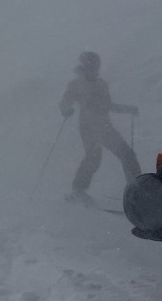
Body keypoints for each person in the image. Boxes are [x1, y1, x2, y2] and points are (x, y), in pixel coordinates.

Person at [60, 51, 140, 201]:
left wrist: (127, 109)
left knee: (127, 155)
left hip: (104, 127)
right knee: (94, 158)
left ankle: (137, 192)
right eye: (93, 66)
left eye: (97, 66)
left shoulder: (101, 84)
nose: (96, 69)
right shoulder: (76, 84)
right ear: (85, 66)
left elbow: (108, 105)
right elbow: (65, 102)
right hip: (88, 128)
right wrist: (66, 110)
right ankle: (78, 190)